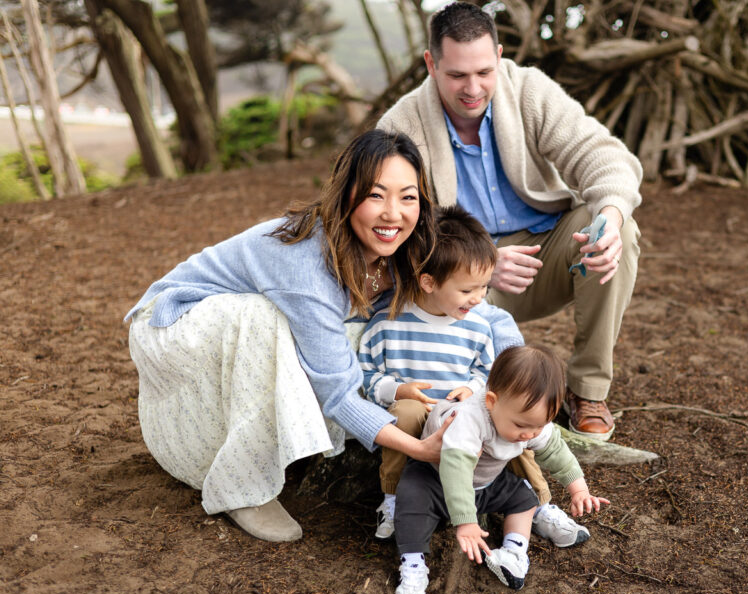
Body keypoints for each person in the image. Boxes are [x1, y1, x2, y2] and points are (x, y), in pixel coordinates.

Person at [124, 129, 520, 543]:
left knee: (360, 333)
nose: (392, 213)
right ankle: (244, 487)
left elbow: (485, 314)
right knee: (265, 320)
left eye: (407, 197)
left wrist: (509, 386)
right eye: (375, 195)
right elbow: (339, 393)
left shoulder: (411, 244)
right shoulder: (304, 266)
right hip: (176, 322)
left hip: (243, 329)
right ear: (347, 194)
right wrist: (418, 449)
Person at [378, 1, 644, 441]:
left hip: (547, 253)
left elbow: (605, 156)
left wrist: (610, 219)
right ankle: (473, 407)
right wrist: (479, 262)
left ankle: (588, 390)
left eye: (484, 72)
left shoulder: (528, 90)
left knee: (619, 230)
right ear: (431, 63)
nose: (473, 88)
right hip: (463, 276)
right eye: (457, 75)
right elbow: (394, 230)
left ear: (499, 56)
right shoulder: (402, 125)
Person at [359, 205, 589, 548]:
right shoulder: (387, 325)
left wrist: (470, 387)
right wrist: (397, 389)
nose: (479, 298)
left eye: (484, 287)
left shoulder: (479, 327)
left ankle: (540, 503)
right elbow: (365, 374)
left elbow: (488, 374)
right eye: (468, 290)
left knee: (514, 423)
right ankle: (392, 499)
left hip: (465, 416)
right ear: (429, 281)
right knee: (404, 414)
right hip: (419, 416)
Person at [392, 345, 609, 594]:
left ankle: (514, 552)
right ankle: (414, 563)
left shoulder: (530, 421)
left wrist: (578, 489)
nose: (529, 434)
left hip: (487, 481)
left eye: (539, 426)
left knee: (525, 500)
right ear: (491, 401)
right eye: (521, 426)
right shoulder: (468, 419)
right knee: (410, 499)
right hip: (437, 476)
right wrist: (466, 521)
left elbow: (555, 451)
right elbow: (456, 471)